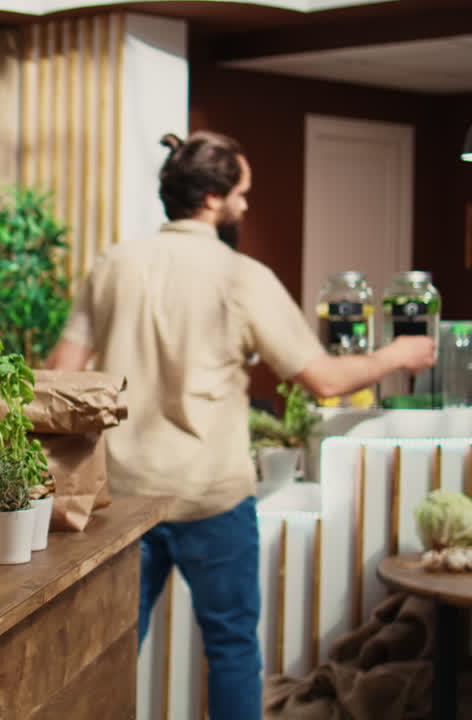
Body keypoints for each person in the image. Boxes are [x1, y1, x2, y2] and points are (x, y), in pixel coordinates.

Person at [45, 131, 435, 720]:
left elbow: (60, 372)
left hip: (121, 496)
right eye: (241, 194)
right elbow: (324, 379)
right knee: (231, 652)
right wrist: (399, 355)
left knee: (106, 654)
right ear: (210, 197)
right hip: (212, 497)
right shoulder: (241, 276)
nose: (246, 205)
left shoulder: (113, 263)